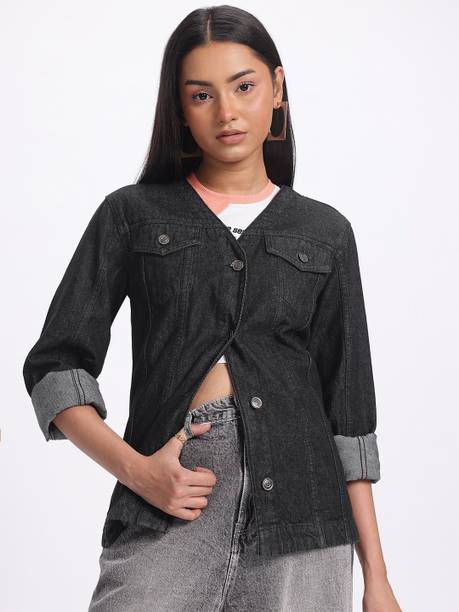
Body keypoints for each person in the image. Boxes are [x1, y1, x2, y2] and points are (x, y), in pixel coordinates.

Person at [22, 5, 403, 611]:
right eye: (201, 95)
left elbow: (349, 416)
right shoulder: (131, 215)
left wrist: (376, 579)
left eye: (244, 87)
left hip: (304, 524)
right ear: (180, 110)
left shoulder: (327, 233)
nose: (226, 112)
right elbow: (55, 369)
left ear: (277, 88)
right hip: (170, 505)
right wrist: (138, 473)